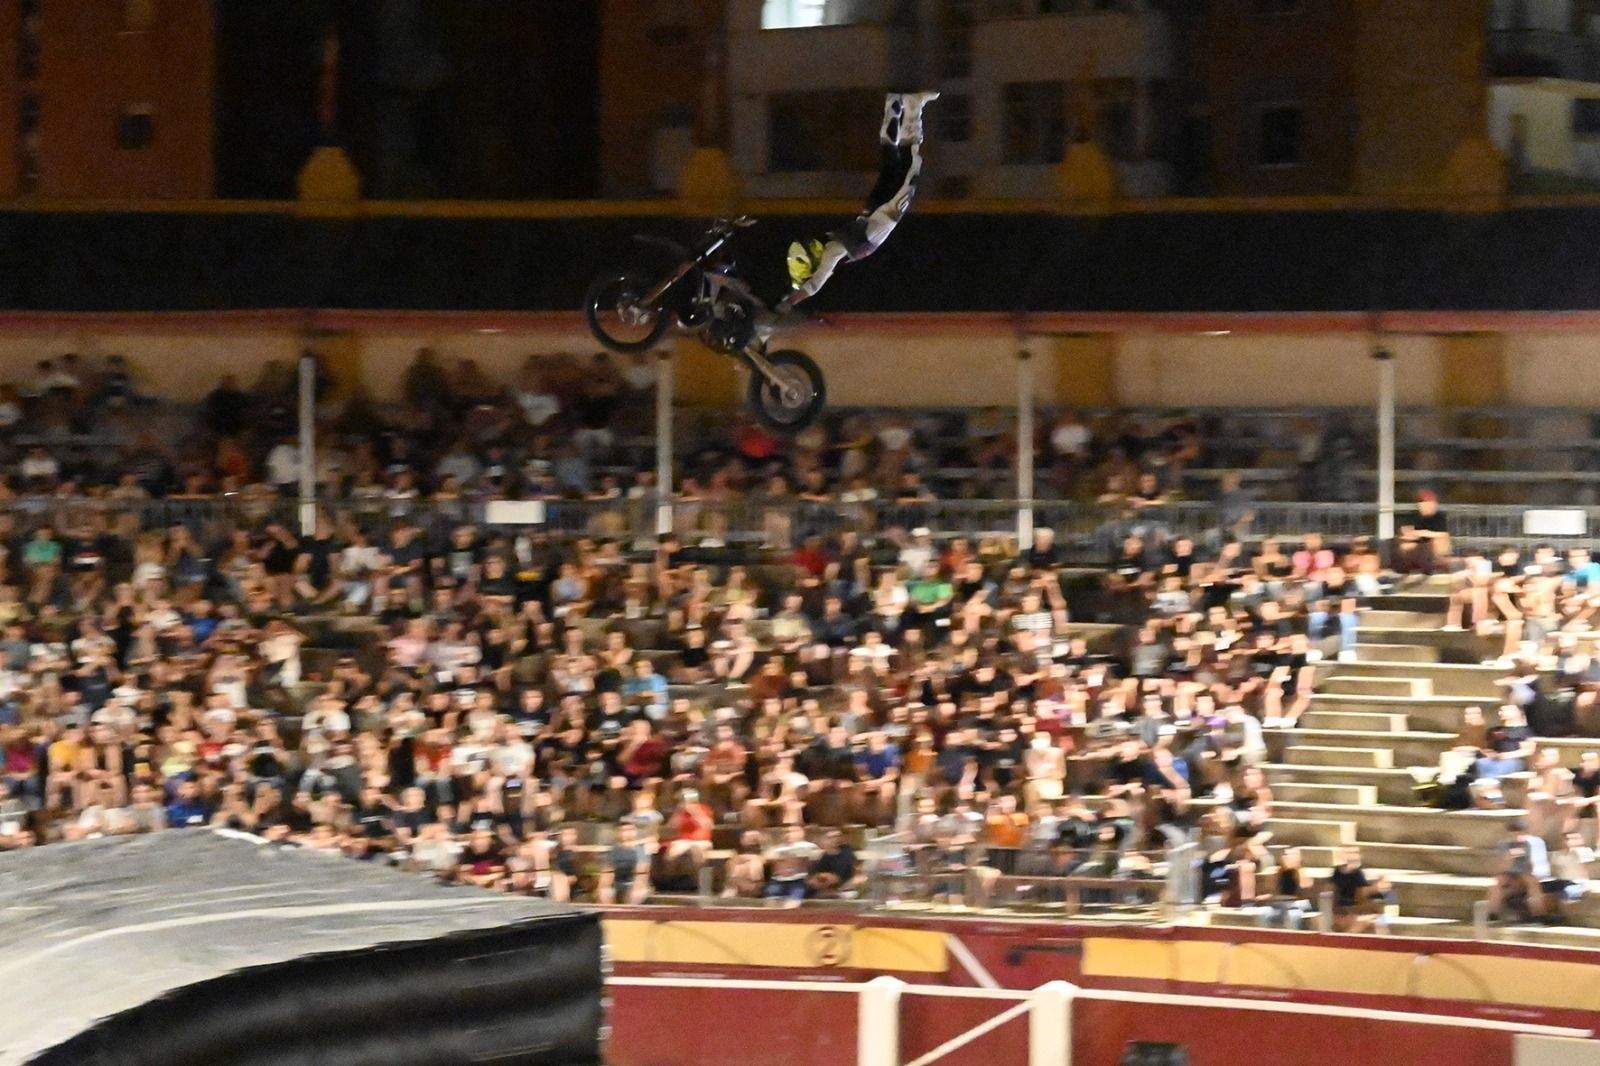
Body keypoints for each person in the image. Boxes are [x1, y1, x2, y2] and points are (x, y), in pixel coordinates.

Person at [759, 91, 939, 338]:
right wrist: (789, 301)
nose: (814, 244)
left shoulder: (833, 250)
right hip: (874, 210)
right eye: (810, 249)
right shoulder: (831, 252)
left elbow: (814, 285)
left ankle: (911, 106)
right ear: (812, 260)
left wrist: (788, 302)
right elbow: (813, 284)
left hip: (885, 211)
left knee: (907, 162)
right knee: (892, 159)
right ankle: (896, 105)